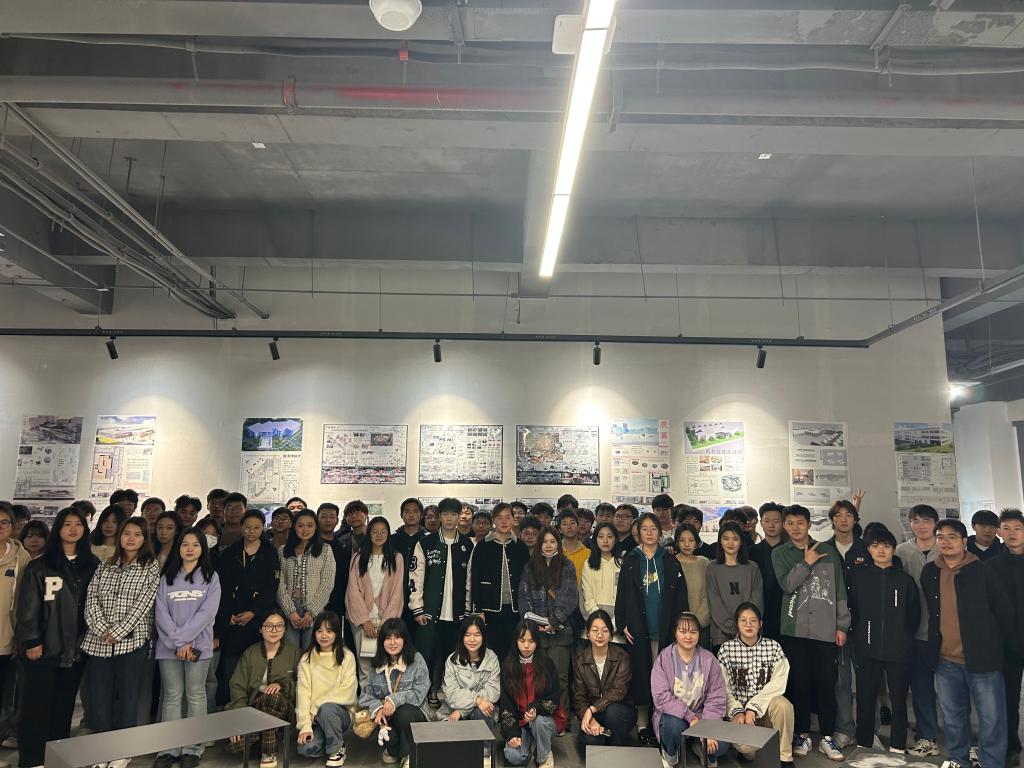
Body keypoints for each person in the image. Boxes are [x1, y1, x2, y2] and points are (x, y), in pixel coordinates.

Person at [922, 519, 1014, 768]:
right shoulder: (930, 572)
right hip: (945, 660)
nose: (945, 542)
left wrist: (1002, 651)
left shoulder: (983, 571)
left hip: (983, 660)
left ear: (964, 541)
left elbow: (1004, 613)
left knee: (991, 719)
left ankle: (992, 763)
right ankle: (958, 760)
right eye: (941, 537)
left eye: (952, 537)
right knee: (953, 718)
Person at [15, 507, 99, 768]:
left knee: (63, 709)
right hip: (43, 650)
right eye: (67, 524)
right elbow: (28, 607)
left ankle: (57, 760)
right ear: (58, 529)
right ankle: (31, 760)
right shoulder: (41, 565)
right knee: (36, 709)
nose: (73, 529)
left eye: (78, 524)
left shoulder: (92, 565)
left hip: (76, 651)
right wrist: (32, 641)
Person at [771, 504, 850, 762]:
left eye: (800, 523)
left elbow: (839, 590)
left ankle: (827, 736)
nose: (795, 528)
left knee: (826, 684)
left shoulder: (828, 551)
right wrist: (806, 562)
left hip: (825, 630)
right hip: (794, 629)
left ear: (809, 524)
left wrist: (842, 625)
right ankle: (802, 734)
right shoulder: (780, 553)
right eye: (790, 523)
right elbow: (787, 585)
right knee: (799, 683)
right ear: (785, 526)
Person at [82, 517, 161, 754]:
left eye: (137, 534)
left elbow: (144, 604)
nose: (131, 538)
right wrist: (101, 629)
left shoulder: (150, 566)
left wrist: (118, 632)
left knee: (128, 696)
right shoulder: (105, 565)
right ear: (120, 536)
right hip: (99, 642)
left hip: (132, 641)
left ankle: (122, 751)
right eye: (127, 533)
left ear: (144, 539)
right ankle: (102, 747)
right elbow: (91, 598)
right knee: (99, 696)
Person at [616, 512, 689, 746]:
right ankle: (642, 725)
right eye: (644, 529)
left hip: (666, 629)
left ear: (660, 532)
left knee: (665, 678)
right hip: (639, 629)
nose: (649, 533)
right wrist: (622, 622)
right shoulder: (631, 560)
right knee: (641, 676)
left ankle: (664, 721)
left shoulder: (670, 560)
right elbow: (622, 594)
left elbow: (681, 596)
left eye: (653, 528)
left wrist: (681, 626)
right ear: (638, 533)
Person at [847, 525, 918, 754]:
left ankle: (897, 745)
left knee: (899, 700)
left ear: (893, 549)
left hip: (898, 650)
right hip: (867, 648)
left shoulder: (905, 580)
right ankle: (864, 742)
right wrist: (860, 635)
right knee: (865, 698)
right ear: (868, 549)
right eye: (875, 546)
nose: (881, 551)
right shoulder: (859, 577)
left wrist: (902, 637)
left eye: (886, 546)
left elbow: (913, 616)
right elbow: (853, 609)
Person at [153, 527, 221, 768]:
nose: (189, 549)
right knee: (171, 696)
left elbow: (207, 613)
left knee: (196, 695)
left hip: (198, 647)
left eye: (195, 544)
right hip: (168, 647)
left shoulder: (211, 577)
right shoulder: (167, 577)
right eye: (185, 544)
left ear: (203, 549)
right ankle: (168, 749)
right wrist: (179, 642)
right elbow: (160, 612)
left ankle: (193, 748)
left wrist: (185, 640)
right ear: (178, 548)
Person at [408, 497, 473, 701]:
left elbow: (470, 579)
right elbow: (415, 577)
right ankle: (427, 691)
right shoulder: (426, 543)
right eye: (445, 515)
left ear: (459, 516)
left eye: (453, 514)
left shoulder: (467, 544)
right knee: (426, 654)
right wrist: (417, 607)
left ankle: (450, 693)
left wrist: (468, 609)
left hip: (457, 613)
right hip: (429, 611)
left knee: (454, 655)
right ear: (439, 517)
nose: (449, 519)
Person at [215, 509, 281, 706]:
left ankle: (254, 708)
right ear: (241, 527)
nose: (251, 531)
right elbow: (221, 587)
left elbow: (272, 588)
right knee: (230, 668)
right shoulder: (230, 553)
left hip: (257, 620)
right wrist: (227, 614)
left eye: (256, 528)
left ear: (263, 528)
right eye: (248, 527)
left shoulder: (270, 553)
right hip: (232, 619)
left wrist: (253, 612)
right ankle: (231, 707)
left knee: (256, 667)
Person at [717, 603, 794, 767]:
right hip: (741, 716)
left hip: (766, 712)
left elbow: (778, 682)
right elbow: (723, 688)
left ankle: (784, 758)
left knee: (783, 705)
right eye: (743, 620)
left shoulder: (773, 647)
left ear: (760, 624)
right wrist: (737, 711)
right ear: (737, 624)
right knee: (748, 750)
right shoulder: (726, 649)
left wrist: (754, 707)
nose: (748, 624)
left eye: (753, 620)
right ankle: (758, 749)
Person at [652, 611, 730, 768]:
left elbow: (716, 697)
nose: (688, 636)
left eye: (693, 632)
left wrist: (707, 729)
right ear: (675, 633)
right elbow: (661, 697)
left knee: (722, 743)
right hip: (676, 717)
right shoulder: (664, 658)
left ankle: (700, 748)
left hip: (702, 716)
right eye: (683, 631)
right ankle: (670, 752)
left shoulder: (709, 660)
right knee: (672, 726)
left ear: (699, 634)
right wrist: (690, 717)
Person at [893, 504, 942, 757]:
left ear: (935, 523)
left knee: (954, 689)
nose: (921, 526)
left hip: (946, 631)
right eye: (916, 521)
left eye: (926, 520)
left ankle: (962, 737)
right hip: (915, 630)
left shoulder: (945, 548)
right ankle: (927, 736)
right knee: (921, 688)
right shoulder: (901, 551)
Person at [226, 608, 301, 768]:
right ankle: (263, 738)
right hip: (254, 707)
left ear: (285, 629)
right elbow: (237, 687)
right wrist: (238, 719)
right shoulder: (250, 653)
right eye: (269, 626)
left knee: (271, 698)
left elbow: (303, 684)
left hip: (284, 709)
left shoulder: (294, 653)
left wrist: (281, 684)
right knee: (236, 746)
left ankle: (267, 753)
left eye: (279, 626)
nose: (274, 630)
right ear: (260, 629)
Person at [518, 525, 578, 722]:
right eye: (545, 542)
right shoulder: (530, 567)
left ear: (558, 544)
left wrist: (554, 620)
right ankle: (539, 717)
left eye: (553, 542)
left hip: (560, 631)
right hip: (535, 633)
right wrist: (532, 623)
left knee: (560, 677)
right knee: (538, 678)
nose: (549, 545)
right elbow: (523, 597)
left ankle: (561, 719)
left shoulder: (567, 566)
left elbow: (569, 597)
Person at [358, 617, 429, 768]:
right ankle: (397, 749)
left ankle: (409, 755)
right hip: (389, 718)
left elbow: (420, 692)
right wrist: (378, 708)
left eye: (397, 637)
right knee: (389, 737)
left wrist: (393, 700)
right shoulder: (376, 665)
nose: (392, 642)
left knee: (403, 713)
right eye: (387, 638)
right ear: (381, 641)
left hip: (413, 714)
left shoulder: (416, 659)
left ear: (405, 639)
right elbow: (365, 695)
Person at [827, 499, 867, 748]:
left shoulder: (866, 548)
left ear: (855, 519)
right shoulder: (824, 549)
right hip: (835, 626)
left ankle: (869, 729)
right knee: (841, 682)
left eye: (849, 515)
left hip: (864, 626)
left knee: (867, 681)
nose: (843, 519)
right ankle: (844, 729)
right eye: (839, 515)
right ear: (832, 520)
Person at [466, 502, 530, 661]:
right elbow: (475, 579)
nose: (504, 521)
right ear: (493, 521)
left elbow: (528, 580)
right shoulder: (482, 546)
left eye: (508, 517)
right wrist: (477, 610)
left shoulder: (520, 546)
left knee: (513, 653)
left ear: (514, 520)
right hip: (489, 609)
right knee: (492, 652)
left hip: (516, 610)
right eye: (499, 518)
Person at [346, 517, 404, 687]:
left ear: (388, 534)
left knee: (386, 663)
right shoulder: (358, 558)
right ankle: (366, 699)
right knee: (364, 666)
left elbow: (397, 592)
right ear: (369, 534)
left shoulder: (396, 558)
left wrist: (386, 623)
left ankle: (385, 699)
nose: (379, 535)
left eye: (383, 531)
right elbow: (353, 591)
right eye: (374, 531)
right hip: (362, 621)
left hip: (386, 620)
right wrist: (365, 621)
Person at [295, 611, 358, 768]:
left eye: (329, 631)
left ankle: (336, 749)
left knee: (327, 709)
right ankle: (331, 739)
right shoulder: (307, 658)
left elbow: (348, 692)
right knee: (306, 749)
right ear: (314, 633)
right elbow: (303, 694)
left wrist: (316, 708)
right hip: (315, 719)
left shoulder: (346, 656)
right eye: (320, 631)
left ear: (336, 634)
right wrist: (305, 725)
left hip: (340, 713)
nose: (324, 635)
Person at [499, 620, 559, 768]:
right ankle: (534, 744)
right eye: (522, 641)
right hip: (520, 723)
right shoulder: (508, 666)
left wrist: (535, 709)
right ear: (516, 641)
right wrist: (512, 733)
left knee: (539, 722)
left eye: (531, 641)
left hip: (543, 721)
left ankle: (544, 756)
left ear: (537, 642)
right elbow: (505, 704)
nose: (526, 646)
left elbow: (554, 699)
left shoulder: (547, 664)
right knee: (515, 757)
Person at [573, 610, 635, 752]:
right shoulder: (580, 660)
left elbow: (618, 692)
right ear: (588, 634)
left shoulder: (622, 657)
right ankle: (605, 737)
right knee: (590, 740)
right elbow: (579, 698)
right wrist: (591, 719)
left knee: (613, 713)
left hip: (620, 711)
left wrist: (592, 709)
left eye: (605, 631)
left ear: (611, 634)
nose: (600, 635)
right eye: (595, 631)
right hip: (594, 715)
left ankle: (616, 750)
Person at [991, 508, 1024, 763]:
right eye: (1007, 529)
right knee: (1008, 699)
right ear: (999, 532)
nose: (1012, 533)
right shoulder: (991, 566)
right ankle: (1011, 745)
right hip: (1007, 644)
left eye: (1018, 528)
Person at [278, 509, 336, 649]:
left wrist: (311, 612)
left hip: (314, 609)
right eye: (300, 525)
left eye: (310, 525)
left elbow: (327, 583)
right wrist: (290, 612)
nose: (305, 529)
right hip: (289, 609)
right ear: (294, 527)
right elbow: (279, 583)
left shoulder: (325, 550)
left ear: (316, 527)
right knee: (290, 652)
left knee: (311, 652)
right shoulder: (283, 550)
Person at [437, 614, 501, 732]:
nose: (472, 640)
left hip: (480, 710)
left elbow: (493, 692)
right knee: (450, 726)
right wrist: (477, 700)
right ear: (462, 637)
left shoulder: (492, 658)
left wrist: (462, 711)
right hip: (452, 710)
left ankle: (484, 745)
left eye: (477, 635)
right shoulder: (452, 660)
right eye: (467, 635)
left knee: (482, 712)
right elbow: (451, 694)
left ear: (483, 637)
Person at [706, 521, 762, 650]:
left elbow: (757, 600)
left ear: (741, 542)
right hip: (721, 634)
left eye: (735, 539)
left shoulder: (752, 567)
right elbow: (714, 601)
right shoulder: (712, 568)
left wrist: (745, 625)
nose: (730, 543)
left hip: (749, 631)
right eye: (726, 538)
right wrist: (733, 627)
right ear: (720, 541)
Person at [749, 503, 786, 641]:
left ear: (783, 523)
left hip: (786, 613)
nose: (771, 525)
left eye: (776, 521)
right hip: (759, 612)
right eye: (767, 521)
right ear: (761, 523)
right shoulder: (750, 552)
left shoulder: (790, 552)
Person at [580, 522, 622, 637]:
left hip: (618, 621)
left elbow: (625, 596)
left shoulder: (622, 564)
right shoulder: (588, 564)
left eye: (610, 537)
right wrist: (599, 620)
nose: (605, 541)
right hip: (593, 619)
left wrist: (613, 624)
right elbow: (587, 595)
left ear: (615, 539)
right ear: (595, 540)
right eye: (601, 537)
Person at [674, 524, 711, 648]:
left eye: (691, 540)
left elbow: (709, 593)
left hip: (702, 625)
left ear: (696, 542)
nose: (687, 544)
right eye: (682, 540)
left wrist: (698, 621)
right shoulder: (671, 562)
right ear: (677, 542)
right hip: (678, 626)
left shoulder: (704, 563)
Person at [390, 498, 425, 630]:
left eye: (415, 511)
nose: (411, 515)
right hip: (395, 595)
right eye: (407, 511)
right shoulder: (392, 540)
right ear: (401, 514)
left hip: (419, 597)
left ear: (421, 515)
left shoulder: (427, 540)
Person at [558, 510, 589, 585]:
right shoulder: (555, 552)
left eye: (572, 523)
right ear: (560, 530)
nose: (569, 527)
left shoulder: (588, 554)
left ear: (578, 527)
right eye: (564, 524)